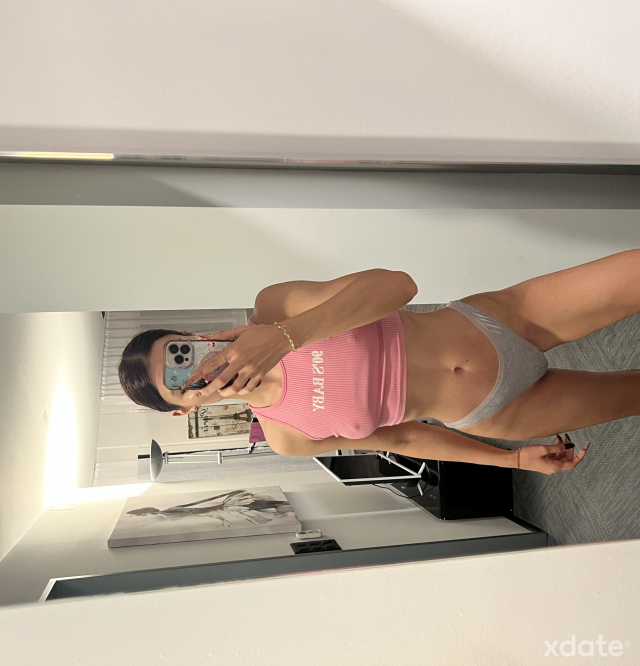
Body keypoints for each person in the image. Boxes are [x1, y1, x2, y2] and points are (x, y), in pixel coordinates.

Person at [118, 250, 640, 475]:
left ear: (192, 336)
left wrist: (282, 337)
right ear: (184, 409)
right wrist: (511, 461)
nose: (197, 370)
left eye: (181, 351)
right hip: (497, 411)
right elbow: (403, 439)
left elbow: (398, 286)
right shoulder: (286, 437)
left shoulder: (275, 307)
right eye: (180, 382)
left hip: (501, 321)